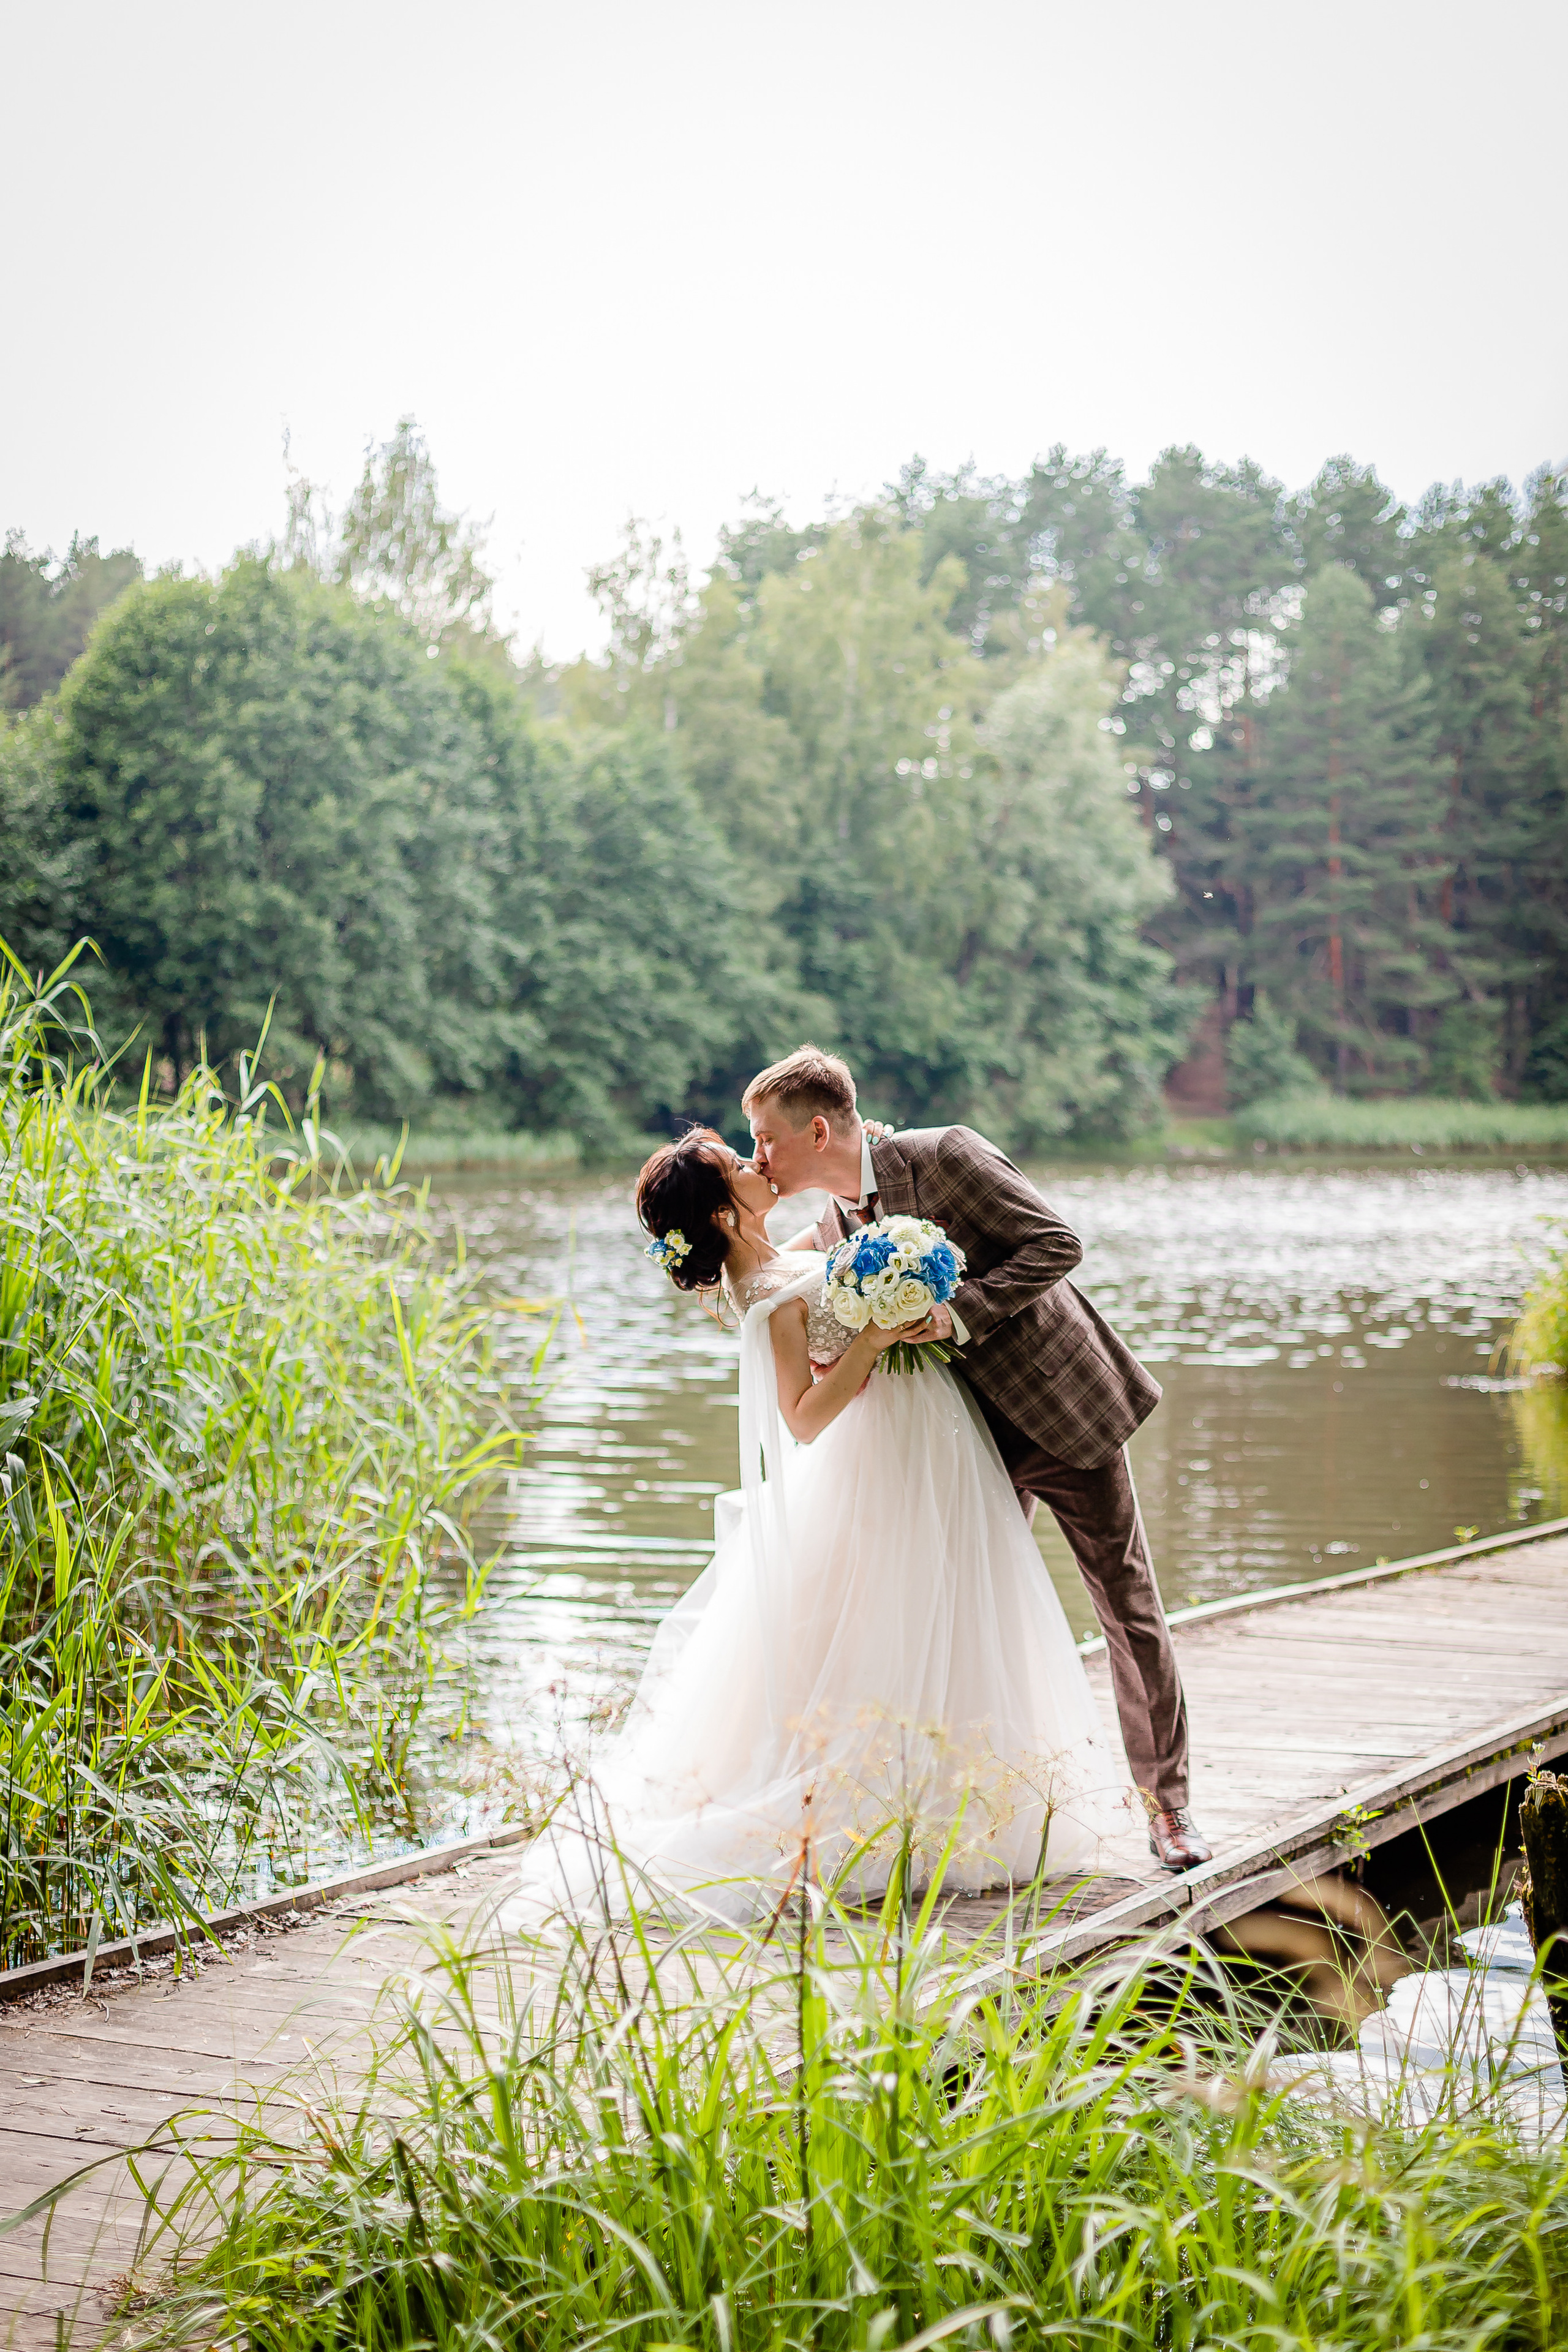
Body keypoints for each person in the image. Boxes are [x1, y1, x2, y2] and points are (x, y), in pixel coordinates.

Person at [503, 1123, 1115, 1929]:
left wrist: (889, 1272)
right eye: (737, 1164)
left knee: (942, 1616)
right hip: (883, 1453)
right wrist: (875, 1331)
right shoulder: (763, 1294)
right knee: (896, 1624)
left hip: (924, 1436)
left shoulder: (772, 1258)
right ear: (722, 1214)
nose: (756, 1163)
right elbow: (803, 1418)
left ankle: (952, 1799)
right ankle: (899, 1816)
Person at [745, 1046, 1210, 1873]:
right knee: (959, 1613)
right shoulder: (832, 1230)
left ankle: (1167, 1810)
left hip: (1060, 1409)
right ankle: (980, 1809)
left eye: (765, 1140)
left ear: (817, 1129)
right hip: (962, 1440)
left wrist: (959, 1312)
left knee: (1125, 1603)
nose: (759, 1158)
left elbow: (1056, 1245)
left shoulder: (947, 1154)